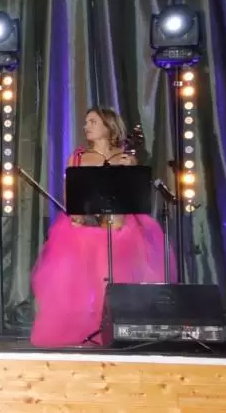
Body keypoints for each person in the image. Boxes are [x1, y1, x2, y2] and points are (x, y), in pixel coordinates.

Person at [30, 108, 176, 347]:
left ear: (109, 126)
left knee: (112, 244)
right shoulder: (78, 157)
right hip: (84, 226)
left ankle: (111, 322)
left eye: (93, 122)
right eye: (86, 121)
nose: (86, 126)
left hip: (115, 228)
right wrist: (80, 215)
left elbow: (133, 197)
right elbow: (71, 197)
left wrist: (131, 168)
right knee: (75, 251)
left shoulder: (125, 157)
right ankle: (84, 325)